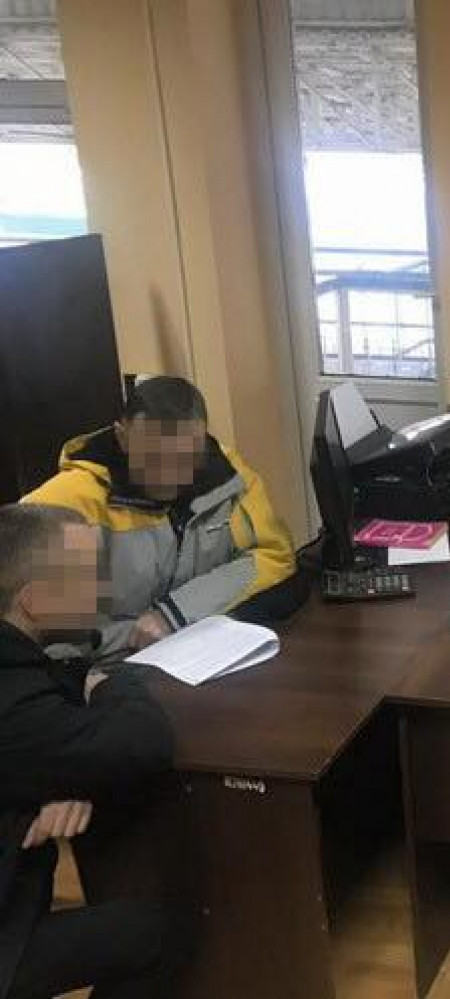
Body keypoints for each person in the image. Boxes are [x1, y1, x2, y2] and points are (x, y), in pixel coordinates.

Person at [0, 503, 184, 998]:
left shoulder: (15, 661)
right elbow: (145, 741)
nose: (102, 589)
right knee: (149, 934)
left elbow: (59, 686)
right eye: (85, 577)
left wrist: (60, 777)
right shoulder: (16, 709)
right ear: (34, 600)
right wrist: (110, 686)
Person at [24, 375, 303, 659]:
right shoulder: (64, 503)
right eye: (153, 458)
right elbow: (30, 623)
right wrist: (123, 641)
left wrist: (176, 612)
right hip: (100, 667)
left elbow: (274, 555)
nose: (172, 476)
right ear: (122, 437)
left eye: (187, 459)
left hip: (195, 652)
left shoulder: (230, 477)